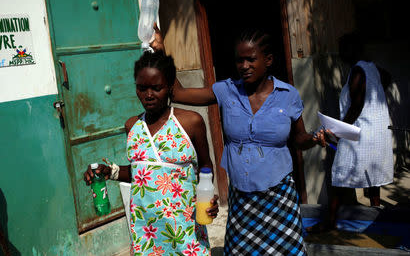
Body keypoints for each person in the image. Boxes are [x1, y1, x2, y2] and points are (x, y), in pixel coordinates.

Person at [152, 26, 328, 255]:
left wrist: (315, 138)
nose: (244, 66)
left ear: (268, 60)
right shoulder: (227, 90)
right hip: (242, 200)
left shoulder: (288, 95)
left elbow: (299, 139)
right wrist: (160, 52)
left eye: (251, 59)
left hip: (279, 198)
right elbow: (178, 94)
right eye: (239, 60)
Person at [84, 51, 219, 255]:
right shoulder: (133, 126)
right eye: (141, 88)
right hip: (146, 232)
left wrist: (207, 198)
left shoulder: (190, 122)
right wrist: (109, 171)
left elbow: (205, 166)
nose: (148, 95)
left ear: (170, 87)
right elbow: (142, 173)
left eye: (156, 88)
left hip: (185, 230)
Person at [309, 32, 393, 232]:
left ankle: (330, 221)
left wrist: (337, 130)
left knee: (339, 173)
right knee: (372, 174)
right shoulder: (372, 68)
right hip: (376, 132)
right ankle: (375, 213)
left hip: (360, 133)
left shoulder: (357, 71)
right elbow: (386, 78)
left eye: (343, 49)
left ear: (353, 49)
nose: (340, 53)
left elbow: (355, 107)